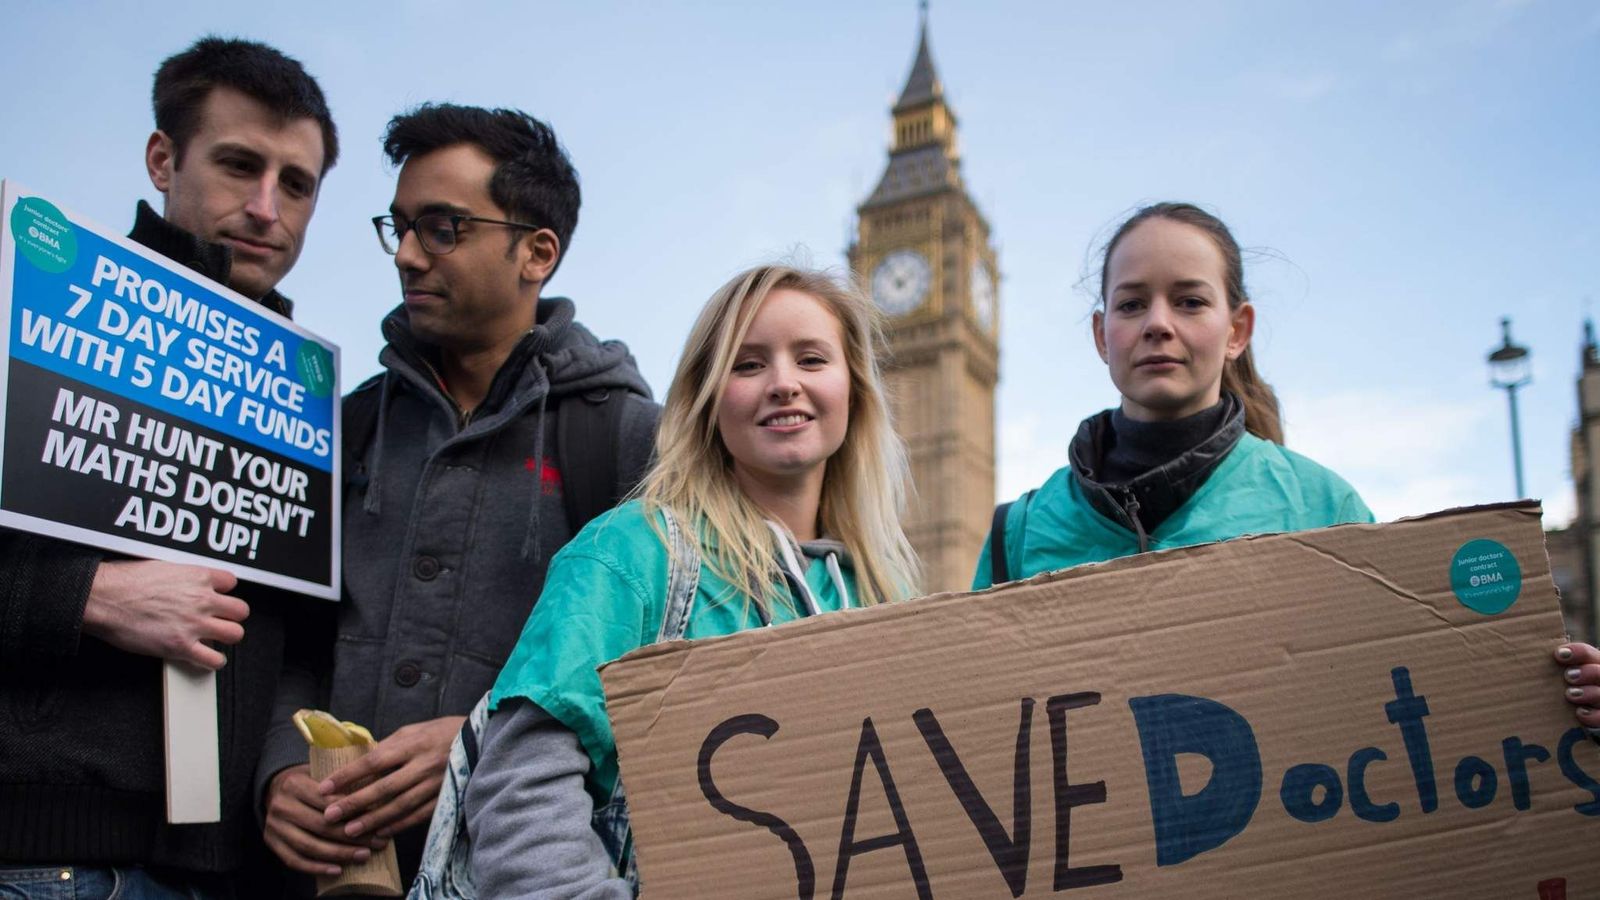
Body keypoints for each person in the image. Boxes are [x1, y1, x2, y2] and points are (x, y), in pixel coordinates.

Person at [257, 105, 660, 890]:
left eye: (442, 227)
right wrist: (275, 774)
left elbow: (666, 679)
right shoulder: (341, 429)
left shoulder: (630, 442)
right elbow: (282, 642)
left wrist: (481, 740)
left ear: (536, 253)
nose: (407, 254)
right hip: (329, 876)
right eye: (399, 226)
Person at [450, 265, 919, 897]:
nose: (784, 384)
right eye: (748, 365)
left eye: (811, 359)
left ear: (855, 388)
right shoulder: (629, 555)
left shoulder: (890, 598)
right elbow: (520, 789)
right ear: (706, 399)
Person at [0, 36, 338, 898]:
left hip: (234, 874)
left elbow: (301, 647)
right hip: (56, 863)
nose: (267, 209)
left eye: (296, 184)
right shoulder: (29, 320)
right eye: (238, 165)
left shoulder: (306, 406)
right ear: (163, 157)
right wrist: (90, 596)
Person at [973, 202, 1372, 589]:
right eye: (1131, 305)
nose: (1158, 324)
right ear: (1101, 336)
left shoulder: (1327, 509)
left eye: (1190, 303)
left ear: (1237, 331)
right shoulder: (1017, 536)